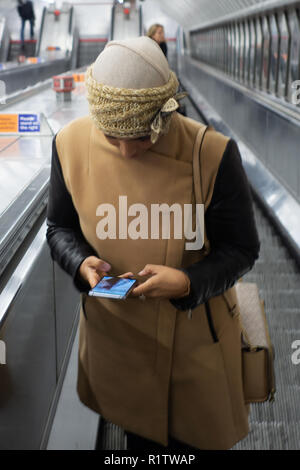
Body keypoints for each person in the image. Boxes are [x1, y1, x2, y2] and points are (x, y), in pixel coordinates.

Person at [46, 36, 260, 451]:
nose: (127, 152)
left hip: (197, 346)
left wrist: (187, 282)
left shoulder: (211, 154)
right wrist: (81, 262)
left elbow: (242, 249)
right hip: (119, 342)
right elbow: (60, 228)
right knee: (137, 439)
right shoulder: (68, 146)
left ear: (167, 113)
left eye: (144, 138)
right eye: (112, 138)